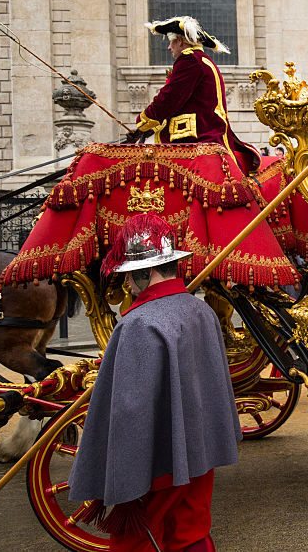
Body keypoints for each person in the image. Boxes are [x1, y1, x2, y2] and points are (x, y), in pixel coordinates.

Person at [68, 213, 241, 551]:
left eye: (130, 277)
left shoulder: (139, 323)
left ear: (146, 273)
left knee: (137, 541)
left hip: (157, 462)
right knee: (191, 532)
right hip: (200, 451)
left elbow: (130, 412)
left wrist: (124, 474)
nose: (127, 286)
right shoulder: (201, 310)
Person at [131, 16, 260, 175]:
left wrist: (142, 121)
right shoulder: (201, 60)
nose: (169, 48)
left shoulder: (190, 59)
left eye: (171, 42)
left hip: (199, 136)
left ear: (180, 41)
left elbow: (169, 99)